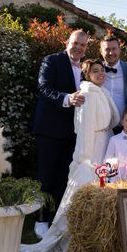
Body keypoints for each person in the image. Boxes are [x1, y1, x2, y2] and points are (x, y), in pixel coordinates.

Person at [22, 59, 119, 252]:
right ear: (87, 75)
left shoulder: (102, 92)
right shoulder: (88, 95)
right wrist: (83, 161)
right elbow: (84, 130)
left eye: (102, 70)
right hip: (91, 153)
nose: (101, 73)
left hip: (103, 147)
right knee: (81, 196)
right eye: (95, 71)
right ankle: (69, 244)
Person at [32, 30, 88, 239]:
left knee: (65, 177)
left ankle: (57, 218)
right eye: (76, 43)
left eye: (83, 45)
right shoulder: (52, 61)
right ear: (67, 42)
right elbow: (43, 88)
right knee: (45, 176)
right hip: (49, 129)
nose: (79, 48)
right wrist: (67, 99)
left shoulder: (85, 67)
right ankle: (40, 219)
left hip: (74, 132)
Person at [100, 34, 127, 119]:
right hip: (101, 127)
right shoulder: (94, 70)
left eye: (114, 49)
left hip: (125, 126)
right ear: (101, 51)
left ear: (119, 49)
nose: (111, 53)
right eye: (107, 49)